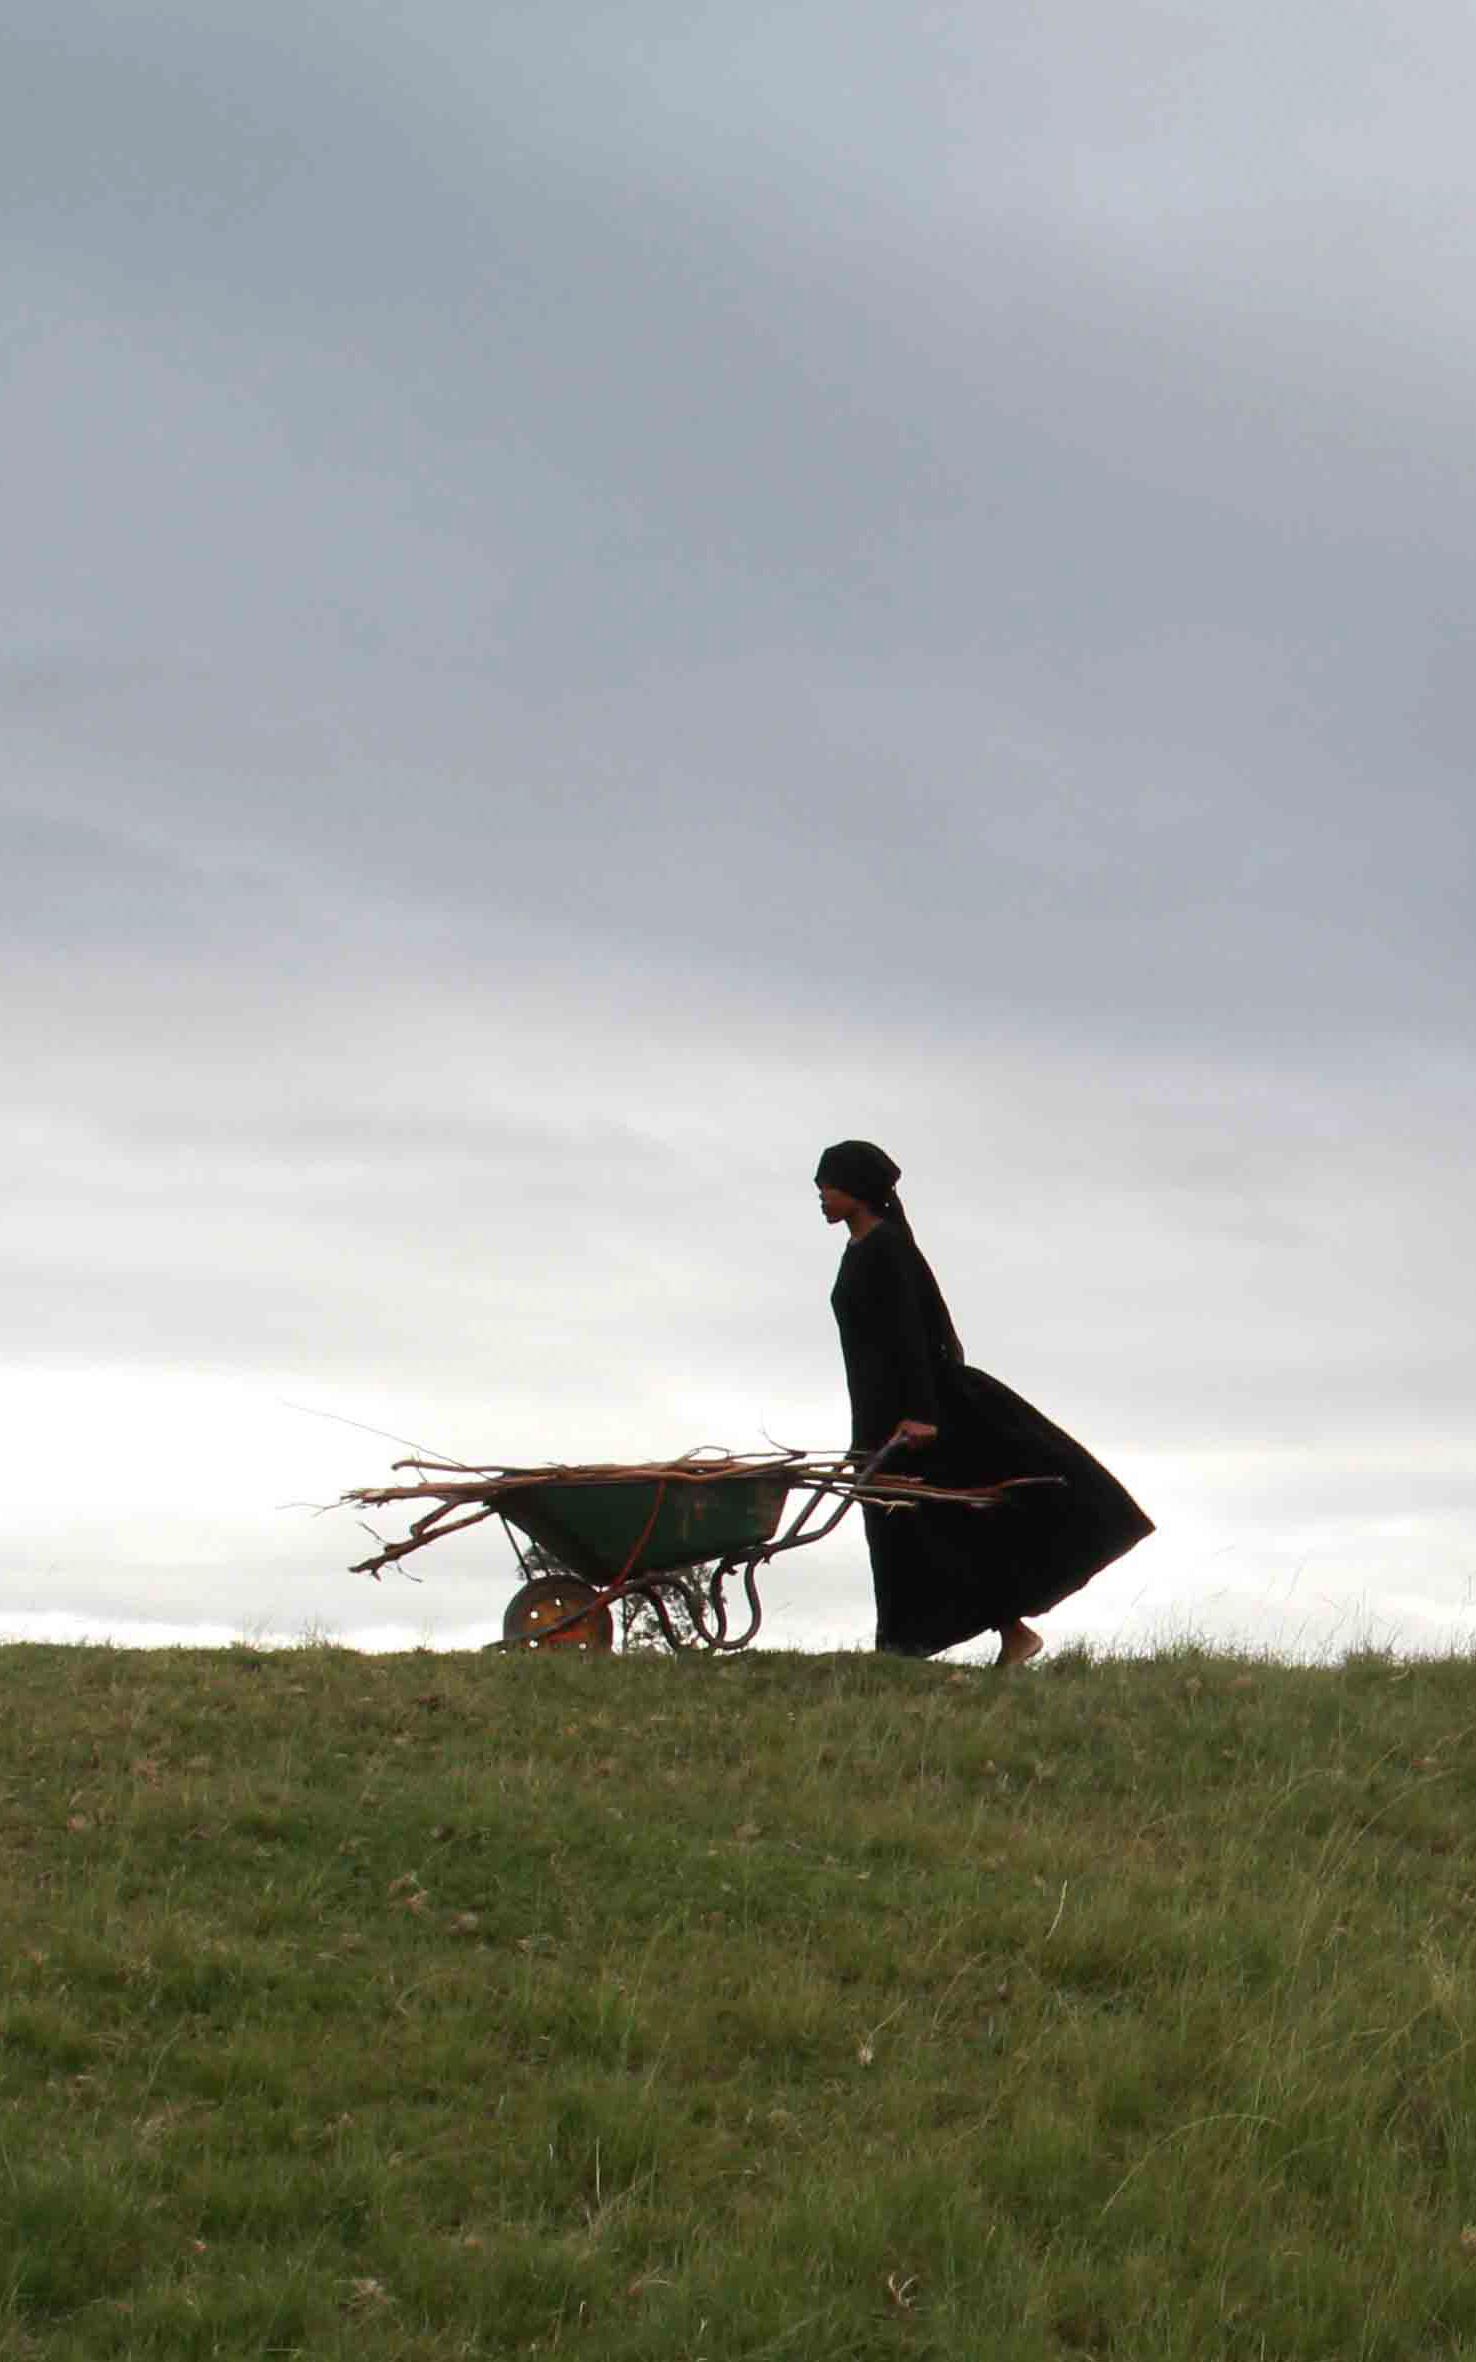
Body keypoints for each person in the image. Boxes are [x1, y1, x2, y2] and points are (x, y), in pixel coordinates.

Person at [816, 1139, 1153, 1666]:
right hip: (880, 1411)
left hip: (915, 1413)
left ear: (857, 1190)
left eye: (828, 1183)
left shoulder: (887, 1249)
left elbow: (911, 1336)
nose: (820, 1193)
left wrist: (921, 1414)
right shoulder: (860, 1249)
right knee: (906, 1525)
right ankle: (945, 1640)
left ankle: (918, 1646)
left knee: (927, 1522)